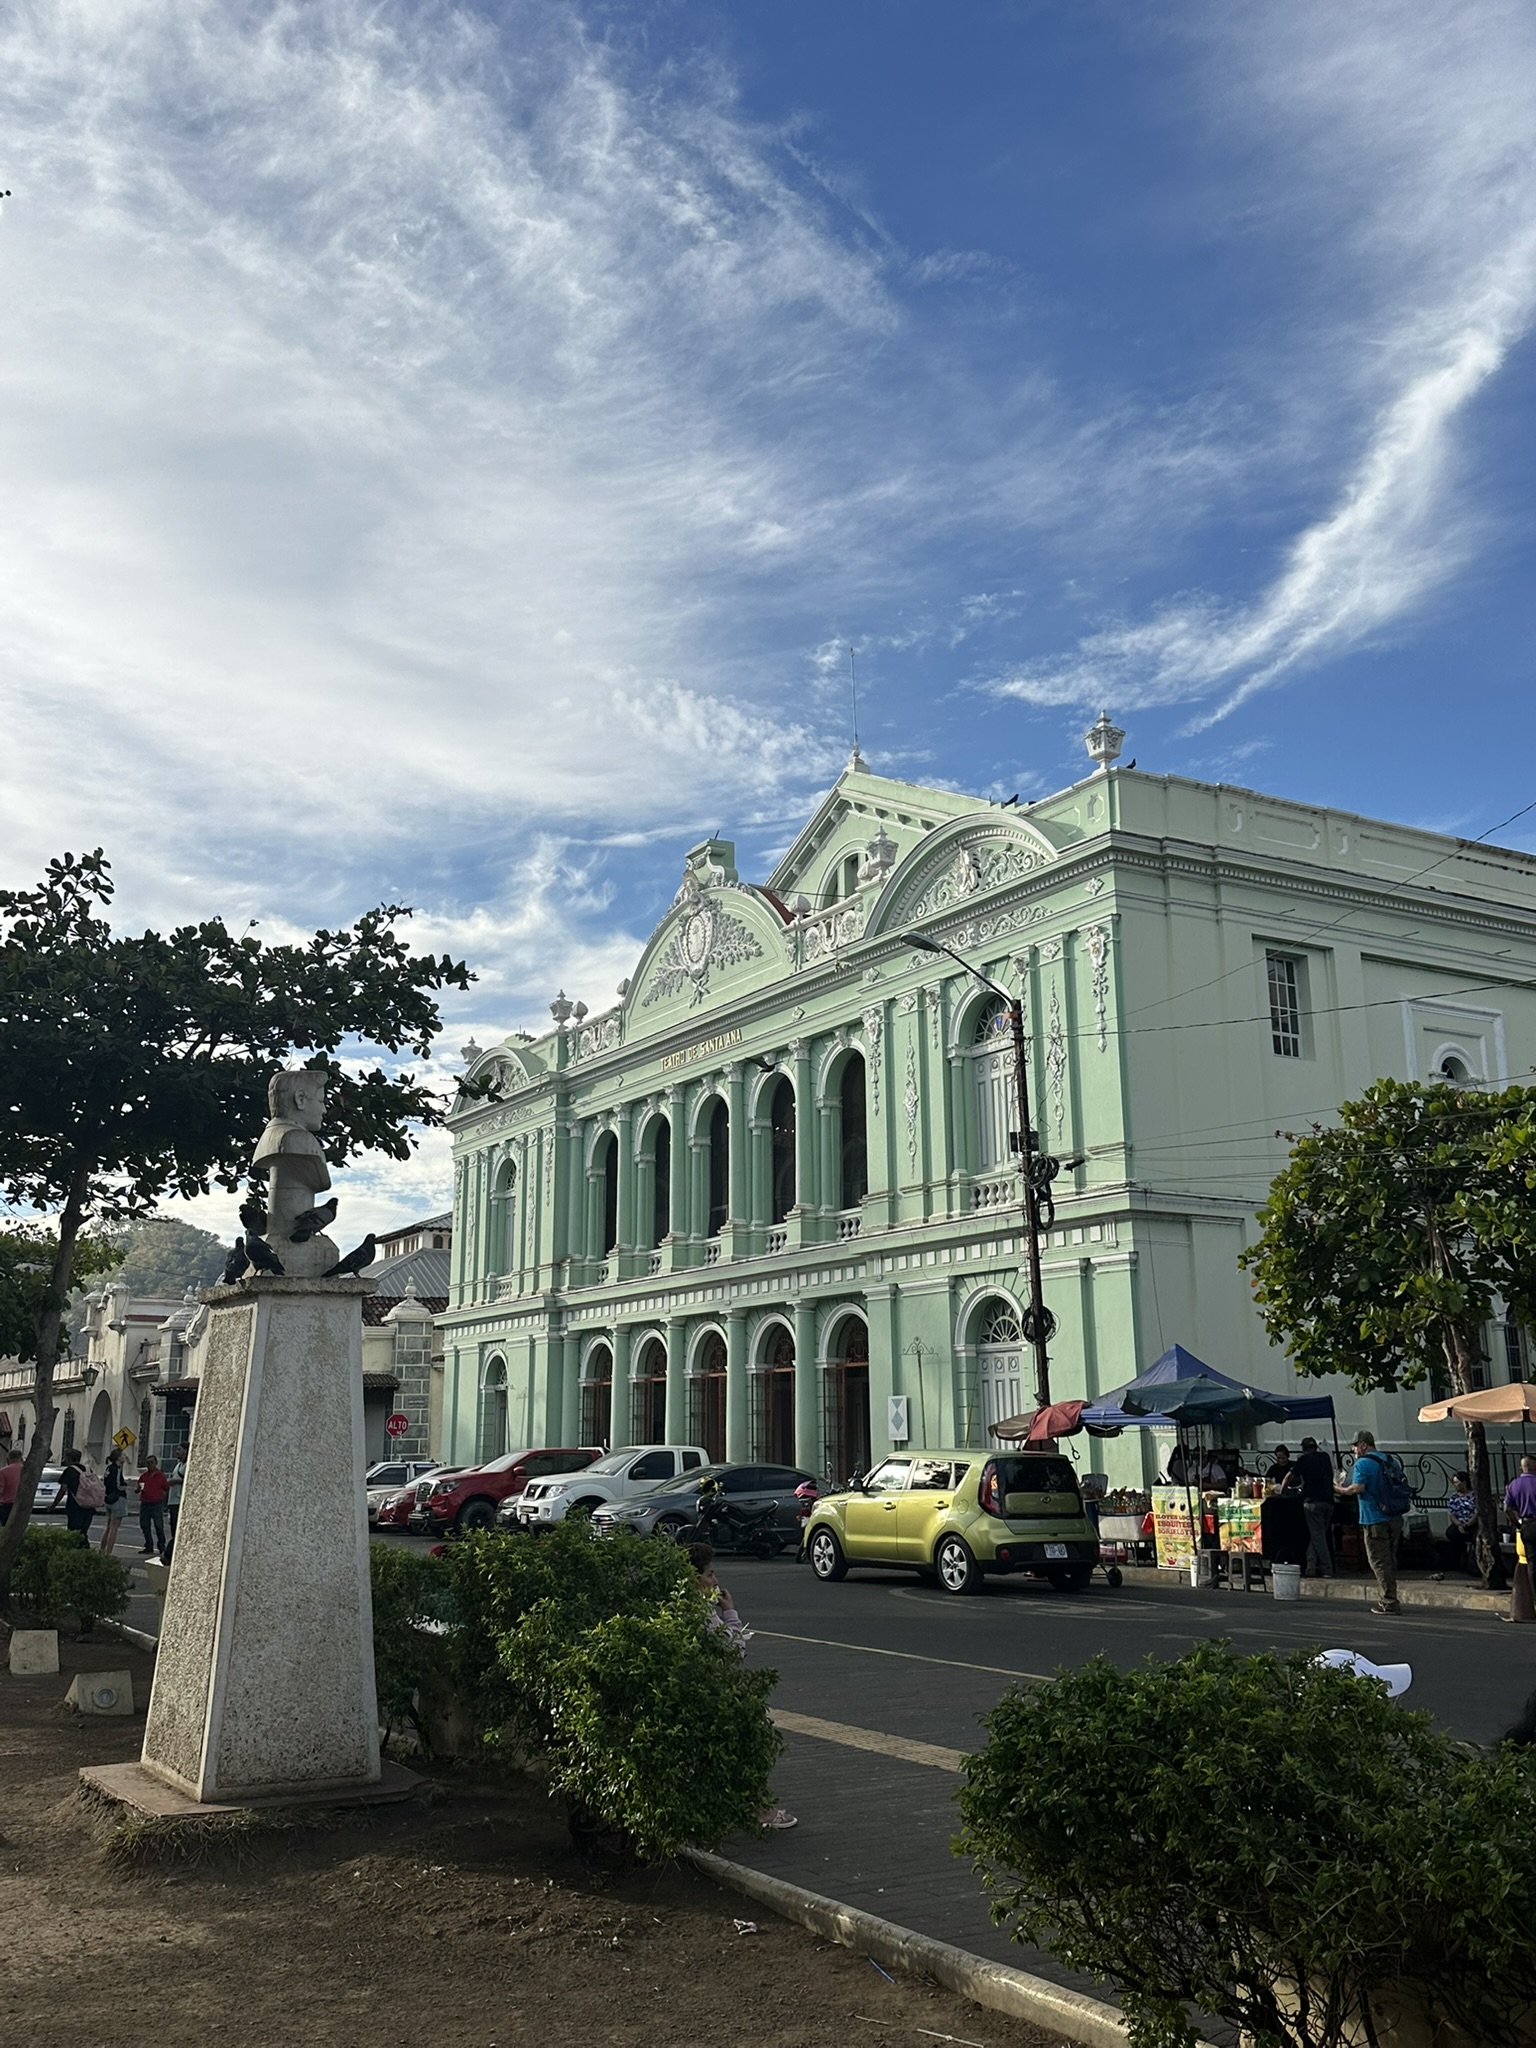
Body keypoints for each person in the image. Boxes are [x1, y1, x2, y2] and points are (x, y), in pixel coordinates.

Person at [688, 1542, 795, 1831]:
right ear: (694, 1579)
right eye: (710, 1574)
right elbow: (733, 1651)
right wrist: (730, 1614)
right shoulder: (702, 1614)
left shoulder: (686, 1609)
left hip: (695, 1691)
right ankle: (761, 1811)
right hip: (712, 1692)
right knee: (747, 1745)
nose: (716, 1580)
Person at [1337, 1429, 1402, 1615]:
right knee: (1390, 1559)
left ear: (1363, 1445)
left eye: (1355, 1446)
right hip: (1394, 1516)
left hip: (1374, 1519)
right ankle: (1390, 1596)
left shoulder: (1363, 1463)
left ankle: (1389, 1602)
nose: (1353, 1450)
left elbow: (1357, 1488)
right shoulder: (1389, 1460)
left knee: (1379, 1562)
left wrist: (1339, 1489)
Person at [1293, 1436, 1337, 1578]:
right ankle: (1310, 1560)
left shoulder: (1303, 1460)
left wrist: (1281, 1489)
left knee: (1318, 1535)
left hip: (1312, 1502)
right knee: (1318, 1534)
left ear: (1304, 1449)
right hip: (1329, 1501)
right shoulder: (1325, 1457)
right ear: (1315, 1447)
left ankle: (1326, 1568)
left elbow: (1289, 1476)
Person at [1503, 1456, 1536, 1573]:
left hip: (1527, 1524)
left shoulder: (1513, 1485)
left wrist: (1517, 1525)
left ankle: (1533, 1590)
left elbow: (1506, 1509)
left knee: (1532, 1562)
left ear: (1521, 1468)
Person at [1442, 1471, 1478, 1575]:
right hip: (1459, 1524)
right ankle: (1460, 1559)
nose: (1456, 1485)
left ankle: (1473, 1563)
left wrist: (1467, 1524)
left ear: (1464, 1482)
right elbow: (1452, 1514)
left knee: (1476, 1536)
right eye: (1454, 1483)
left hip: (1471, 1523)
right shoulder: (1454, 1497)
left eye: (1457, 1482)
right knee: (1451, 1533)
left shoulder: (1473, 1496)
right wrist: (1459, 1525)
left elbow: (1477, 1513)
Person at [58, 1447, 98, 1538]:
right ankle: (84, 1550)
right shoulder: (88, 1470)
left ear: (69, 1459)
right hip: (89, 1506)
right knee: (83, 1532)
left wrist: (54, 1505)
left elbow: (63, 1490)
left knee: (73, 1533)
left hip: (75, 1506)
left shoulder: (69, 1471)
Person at [138, 1455, 170, 1555]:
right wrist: (138, 1489)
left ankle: (161, 1546)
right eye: (148, 1463)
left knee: (159, 1526)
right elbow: (138, 1487)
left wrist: (164, 1502)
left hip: (156, 1504)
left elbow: (166, 1488)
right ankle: (149, 1545)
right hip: (145, 1503)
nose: (150, 1465)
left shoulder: (161, 1475)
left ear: (155, 1463)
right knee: (145, 1526)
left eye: (152, 1462)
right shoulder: (144, 1476)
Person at [100, 1448, 128, 1554]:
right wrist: (123, 1486)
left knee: (108, 1526)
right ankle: (108, 1552)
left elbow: (105, 1483)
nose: (125, 1457)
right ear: (118, 1457)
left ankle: (102, 1550)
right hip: (117, 1498)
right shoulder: (116, 1469)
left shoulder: (108, 1469)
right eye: (123, 1455)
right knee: (114, 1527)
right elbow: (117, 1484)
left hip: (108, 1498)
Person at [0, 1447, 22, 1526]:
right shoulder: (26, 1470)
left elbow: (1, 1490)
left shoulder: (3, 1472)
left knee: (6, 1527)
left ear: (8, 1459)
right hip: (22, 1504)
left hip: (6, 1504)